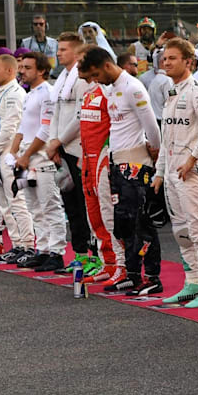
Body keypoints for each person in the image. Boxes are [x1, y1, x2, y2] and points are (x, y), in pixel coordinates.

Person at [78, 47, 163, 295]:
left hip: (136, 163)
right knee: (124, 224)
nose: (95, 81)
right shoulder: (112, 89)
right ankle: (133, 275)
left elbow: (152, 128)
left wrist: (155, 156)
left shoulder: (133, 87)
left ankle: (153, 277)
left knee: (142, 223)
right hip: (117, 163)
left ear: (106, 65)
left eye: (95, 75)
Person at [155, 38, 198, 308]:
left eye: (173, 58)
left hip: (191, 172)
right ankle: (193, 282)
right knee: (181, 231)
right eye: (165, 58)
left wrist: (193, 157)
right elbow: (166, 138)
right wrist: (160, 172)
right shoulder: (171, 94)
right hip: (172, 172)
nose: (167, 62)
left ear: (189, 62)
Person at [41, 32, 97, 273]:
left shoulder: (82, 78)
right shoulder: (62, 78)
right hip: (63, 148)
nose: (58, 53)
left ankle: (96, 257)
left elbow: (79, 116)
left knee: (86, 205)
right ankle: (81, 255)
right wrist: (54, 142)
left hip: (78, 148)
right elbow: (55, 112)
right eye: (59, 49)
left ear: (76, 52)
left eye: (63, 49)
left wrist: (60, 141)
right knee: (71, 205)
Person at [11, 51, 67, 271]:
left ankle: (57, 252)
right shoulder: (29, 94)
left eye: (27, 68)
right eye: (21, 67)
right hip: (26, 158)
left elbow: (45, 129)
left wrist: (25, 156)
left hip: (42, 158)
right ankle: (42, 249)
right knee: (34, 206)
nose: (22, 71)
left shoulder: (48, 93)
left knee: (50, 205)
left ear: (42, 70)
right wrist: (14, 153)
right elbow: (23, 128)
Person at [76, 55, 125, 286]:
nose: (77, 67)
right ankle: (107, 263)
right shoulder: (88, 93)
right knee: (93, 215)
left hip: (104, 161)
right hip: (87, 161)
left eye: (81, 63)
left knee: (109, 215)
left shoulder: (110, 91)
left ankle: (120, 264)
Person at [0, 55, 33, 261]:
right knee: (4, 203)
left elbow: (9, 128)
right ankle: (17, 244)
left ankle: (28, 245)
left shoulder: (15, 94)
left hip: (12, 155)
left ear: (10, 71)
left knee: (18, 200)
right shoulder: (0, 93)